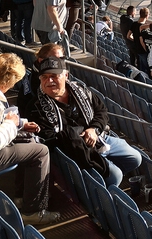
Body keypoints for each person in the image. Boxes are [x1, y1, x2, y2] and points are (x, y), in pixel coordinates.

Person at [0, 52, 60, 225]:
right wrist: (10, 125)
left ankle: (22, 196)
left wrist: (19, 124)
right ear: (7, 81)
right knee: (41, 151)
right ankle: (33, 211)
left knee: (29, 140)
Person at [29, 58, 141, 188]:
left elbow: (102, 111)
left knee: (135, 158)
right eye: (44, 77)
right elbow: (48, 138)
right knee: (115, 176)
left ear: (66, 75)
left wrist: (93, 129)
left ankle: (102, 179)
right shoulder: (35, 107)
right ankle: (101, 191)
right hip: (76, 152)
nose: (49, 81)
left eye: (54, 76)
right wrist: (81, 137)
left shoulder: (81, 90)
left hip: (99, 138)